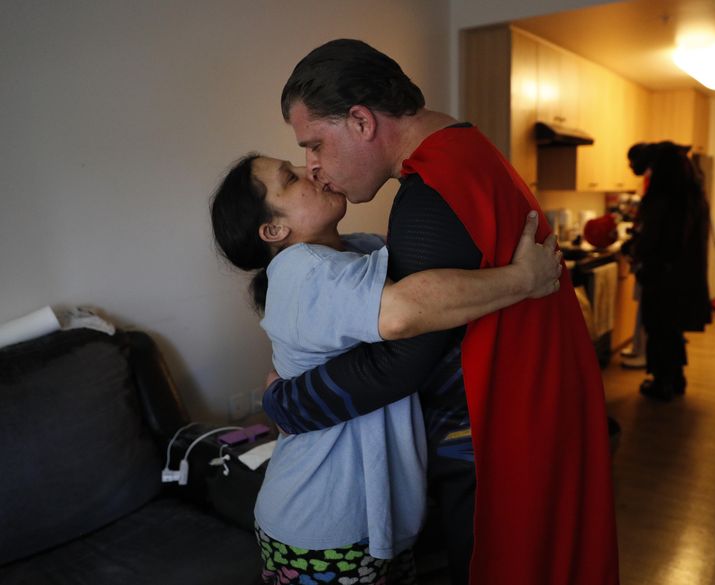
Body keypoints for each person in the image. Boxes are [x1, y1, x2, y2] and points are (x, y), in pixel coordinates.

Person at [263, 39, 619, 585]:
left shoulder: (430, 193)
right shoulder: (465, 150)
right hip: (535, 407)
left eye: (314, 145)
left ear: (360, 121)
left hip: (497, 431)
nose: (313, 166)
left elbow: (399, 360)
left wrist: (286, 402)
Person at [210, 154, 561, 584]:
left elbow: (429, 282)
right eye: (291, 177)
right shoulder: (305, 270)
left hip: (359, 521)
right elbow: (404, 312)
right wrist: (525, 279)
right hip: (322, 522)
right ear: (274, 231)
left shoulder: (354, 250)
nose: (311, 169)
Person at [629, 141, 712, 401]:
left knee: (658, 328)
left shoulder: (663, 196)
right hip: (681, 274)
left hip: (662, 274)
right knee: (672, 329)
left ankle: (661, 383)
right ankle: (676, 379)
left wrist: (635, 248)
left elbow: (654, 237)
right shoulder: (690, 194)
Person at [619, 142, 654, 370]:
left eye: (632, 162)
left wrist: (634, 244)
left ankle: (644, 354)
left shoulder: (658, 184)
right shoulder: (653, 181)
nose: (630, 167)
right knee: (645, 308)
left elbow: (651, 225)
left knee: (649, 310)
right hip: (650, 260)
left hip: (653, 263)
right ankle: (639, 349)